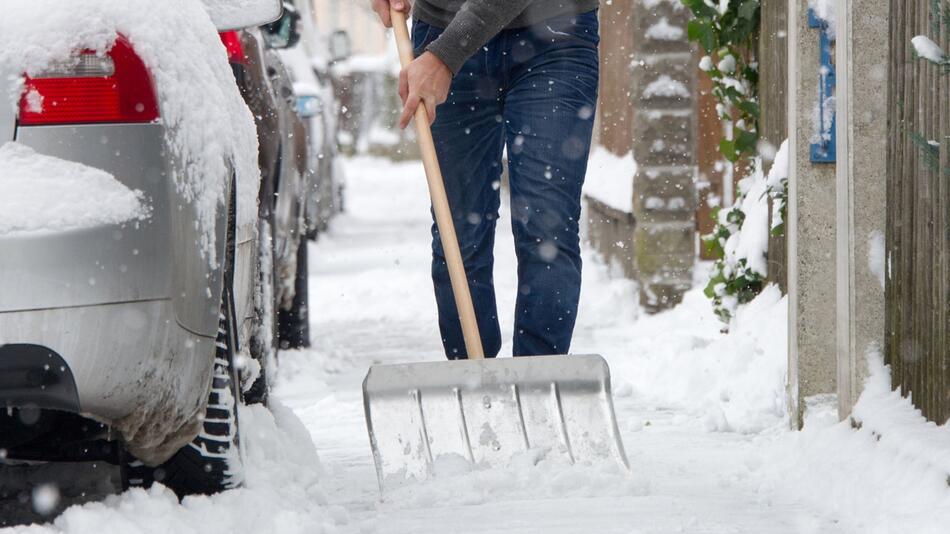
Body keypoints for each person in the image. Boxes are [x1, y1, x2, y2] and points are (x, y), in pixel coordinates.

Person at [372, 0, 600, 359]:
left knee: (547, 227)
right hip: (442, 32)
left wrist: (447, 54)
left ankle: (538, 386)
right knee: (458, 235)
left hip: (555, 37)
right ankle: (475, 385)